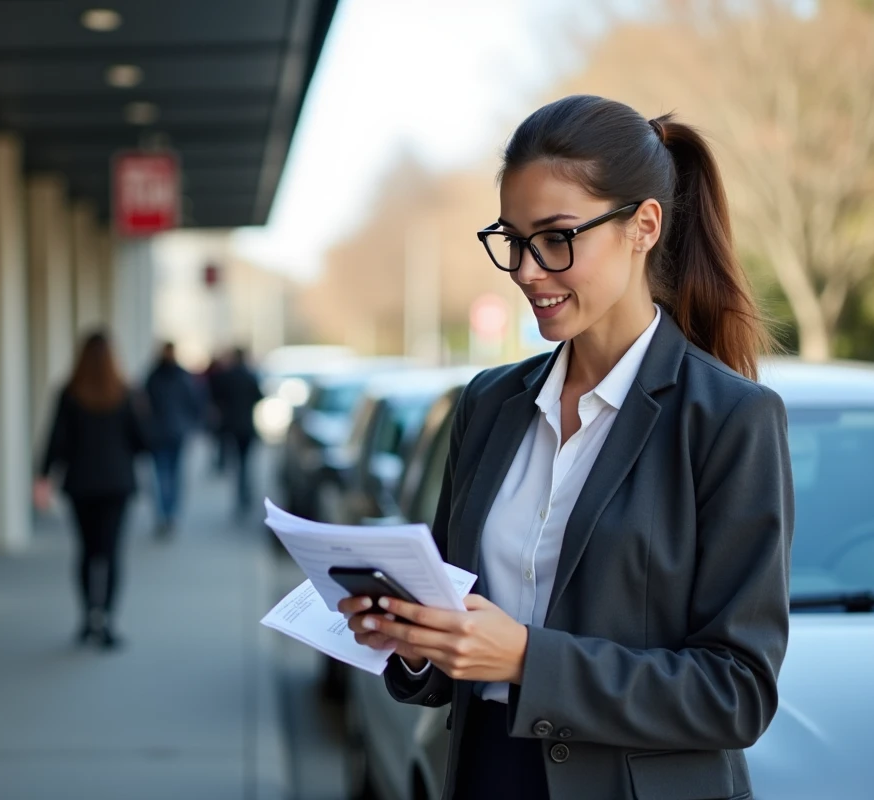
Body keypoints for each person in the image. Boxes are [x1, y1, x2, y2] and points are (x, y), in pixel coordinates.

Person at [340, 95, 794, 800]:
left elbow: (735, 693)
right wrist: (411, 638)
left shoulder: (731, 419)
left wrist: (528, 659)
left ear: (644, 226)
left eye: (555, 237)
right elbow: (454, 623)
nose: (525, 270)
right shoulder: (488, 404)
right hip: (486, 774)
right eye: (512, 240)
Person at [35, 330, 147, 650]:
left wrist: (43, 477)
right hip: (116, 484)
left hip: (81, 484)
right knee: (111, 553)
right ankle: (108, 620)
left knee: (86, 552)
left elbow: (55, 439)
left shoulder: (69, 393)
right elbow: (142, 441)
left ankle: (87, 618)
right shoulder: (126, 392)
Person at [143, 341, 202, 536]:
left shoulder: (157, 376)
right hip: (166, 434)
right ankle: (167, 515)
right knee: (166, 476)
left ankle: (168, 515)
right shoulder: (170, 376)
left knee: (169, 476)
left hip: (171, 433)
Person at [210, 346, 265, 516]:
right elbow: (259, 396)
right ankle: (245, 495)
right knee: (246, 464)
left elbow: (215, 395)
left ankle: (241, 497)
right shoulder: (250, 376)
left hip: (232, 426)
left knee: (237, 463)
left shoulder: (227, 376)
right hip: (247, 427)